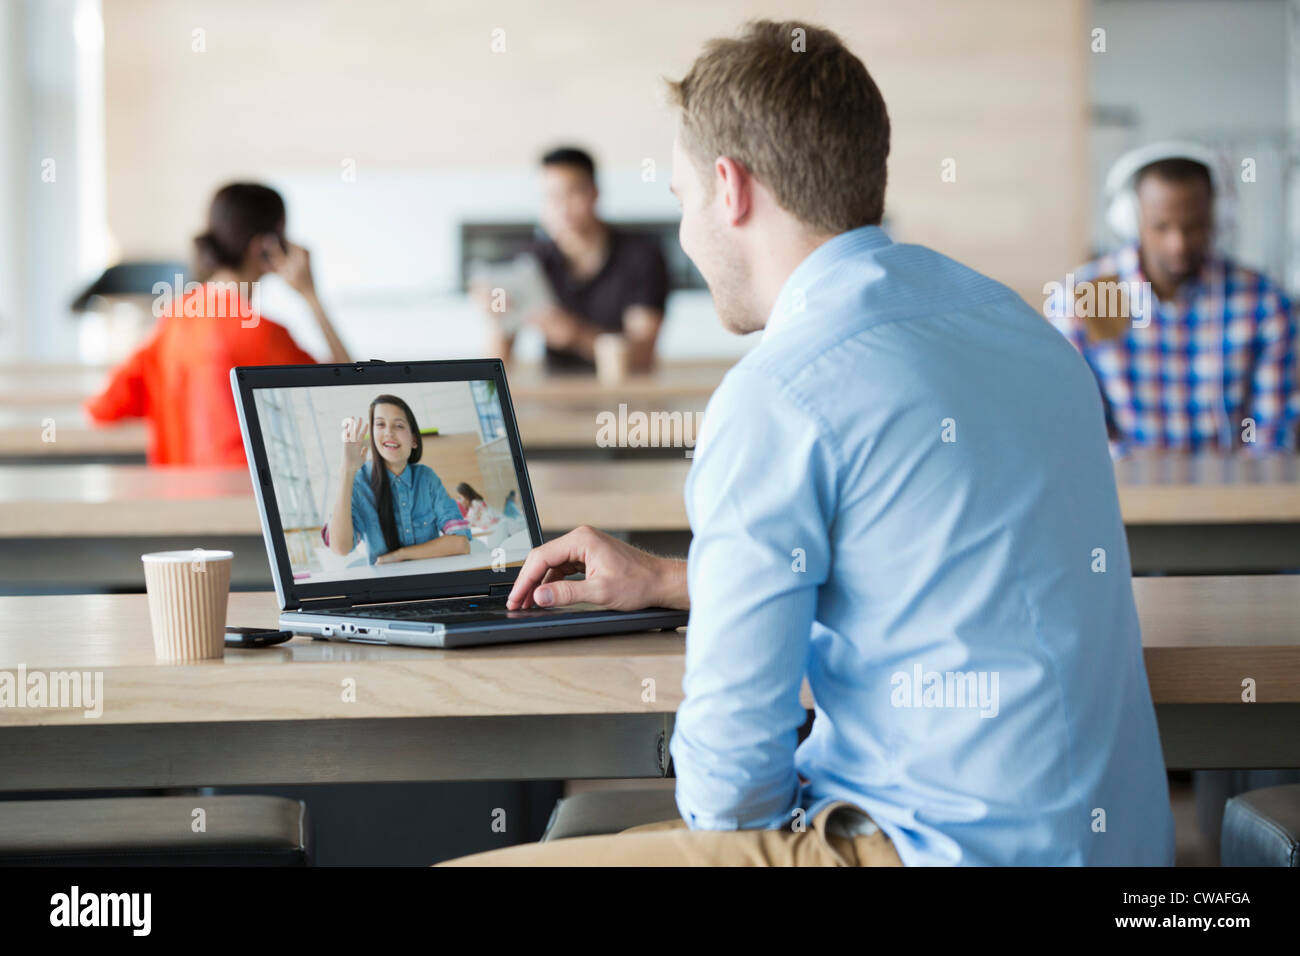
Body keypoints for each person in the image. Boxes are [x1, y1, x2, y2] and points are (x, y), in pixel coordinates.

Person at [441, 20, 1174, 867]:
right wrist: (674, 581)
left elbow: (730, 792)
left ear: (730, 188)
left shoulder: (778, 394)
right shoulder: (1024, 331)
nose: (684, 234)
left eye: (683, 201)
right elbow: (926, 573)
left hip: (926, 850)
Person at [1049, 144, 1298, 453]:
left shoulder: (1264, 304)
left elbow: (1272, 435)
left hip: (1237, 495)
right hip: (1123, 495)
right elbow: (1075, 429)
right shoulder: (1084, 298)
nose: (1177, 244)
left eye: (1193, 226)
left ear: (1217, 218)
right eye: (1161, 227)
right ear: (1131, 219)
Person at [84, 183, 350, 466]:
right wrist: (312, 298)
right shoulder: (264, 334)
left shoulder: (174, 319)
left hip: (177, 503)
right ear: (267, 246)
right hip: (243, 504)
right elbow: (348, 396)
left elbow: (104, 408)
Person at [482, 147, 669, 374]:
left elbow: (642, 355)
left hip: (625, 397)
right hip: (557, 395)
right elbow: (496, 361)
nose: (561, 207)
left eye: (571, 193)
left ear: (594, 193)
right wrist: (497, 317)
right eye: (550, 196)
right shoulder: (531, 261)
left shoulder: (641, 258)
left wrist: (575, 335)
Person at [326, 394, 471, 565]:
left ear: (414, 440)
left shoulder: (427, 479)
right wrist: (347, 471)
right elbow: (340, 548)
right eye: (380, 424)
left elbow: (461, 543)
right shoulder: (359, 482)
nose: (388, 432)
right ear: (372, 436)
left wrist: (400, 555)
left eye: (399, 425)